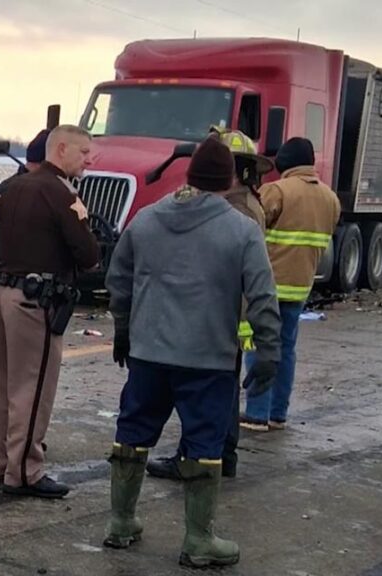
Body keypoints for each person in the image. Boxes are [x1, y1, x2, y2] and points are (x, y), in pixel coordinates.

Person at [102, 135, 281, 569]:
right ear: (228, 179)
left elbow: (117, 280)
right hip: (207, 360)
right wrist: (269, 352)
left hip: (148, 354)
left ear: (189, 174)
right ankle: (198, 540)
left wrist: (124, 331)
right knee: (204, 443)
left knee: (133, 434)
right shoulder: (242, 230)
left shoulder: (145, 220)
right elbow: (262, 296)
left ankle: (121, 522)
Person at [144, 129, 272, 481]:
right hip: (229, 314)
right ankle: (219, 454)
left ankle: (200, 456)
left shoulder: (236, 209)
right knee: (221, 390)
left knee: (209, 395)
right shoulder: (244, 203)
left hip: (222, 315)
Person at [0, 125, 100, 498]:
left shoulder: (11, 188)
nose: (89, 160)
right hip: (37, 302)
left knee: (2, 384)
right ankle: (25, 472)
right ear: (61, 149)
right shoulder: (61, 193)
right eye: (83, 153)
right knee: (32, 389)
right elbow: (88, 253)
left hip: (3, 292)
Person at [240, 137, 340, 432]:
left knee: (258, 345)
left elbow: (253, 225)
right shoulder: (330, 198)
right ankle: (277, 414)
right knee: (286, 349)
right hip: (301, 285)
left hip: (267, 284)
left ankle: (256, 413)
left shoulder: (277, 191)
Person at [0, 128, 50, 457]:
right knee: (17, 375)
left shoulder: (8, 189)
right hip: (24, 291)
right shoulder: (29, 192)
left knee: (6, 374)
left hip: (8, 285)